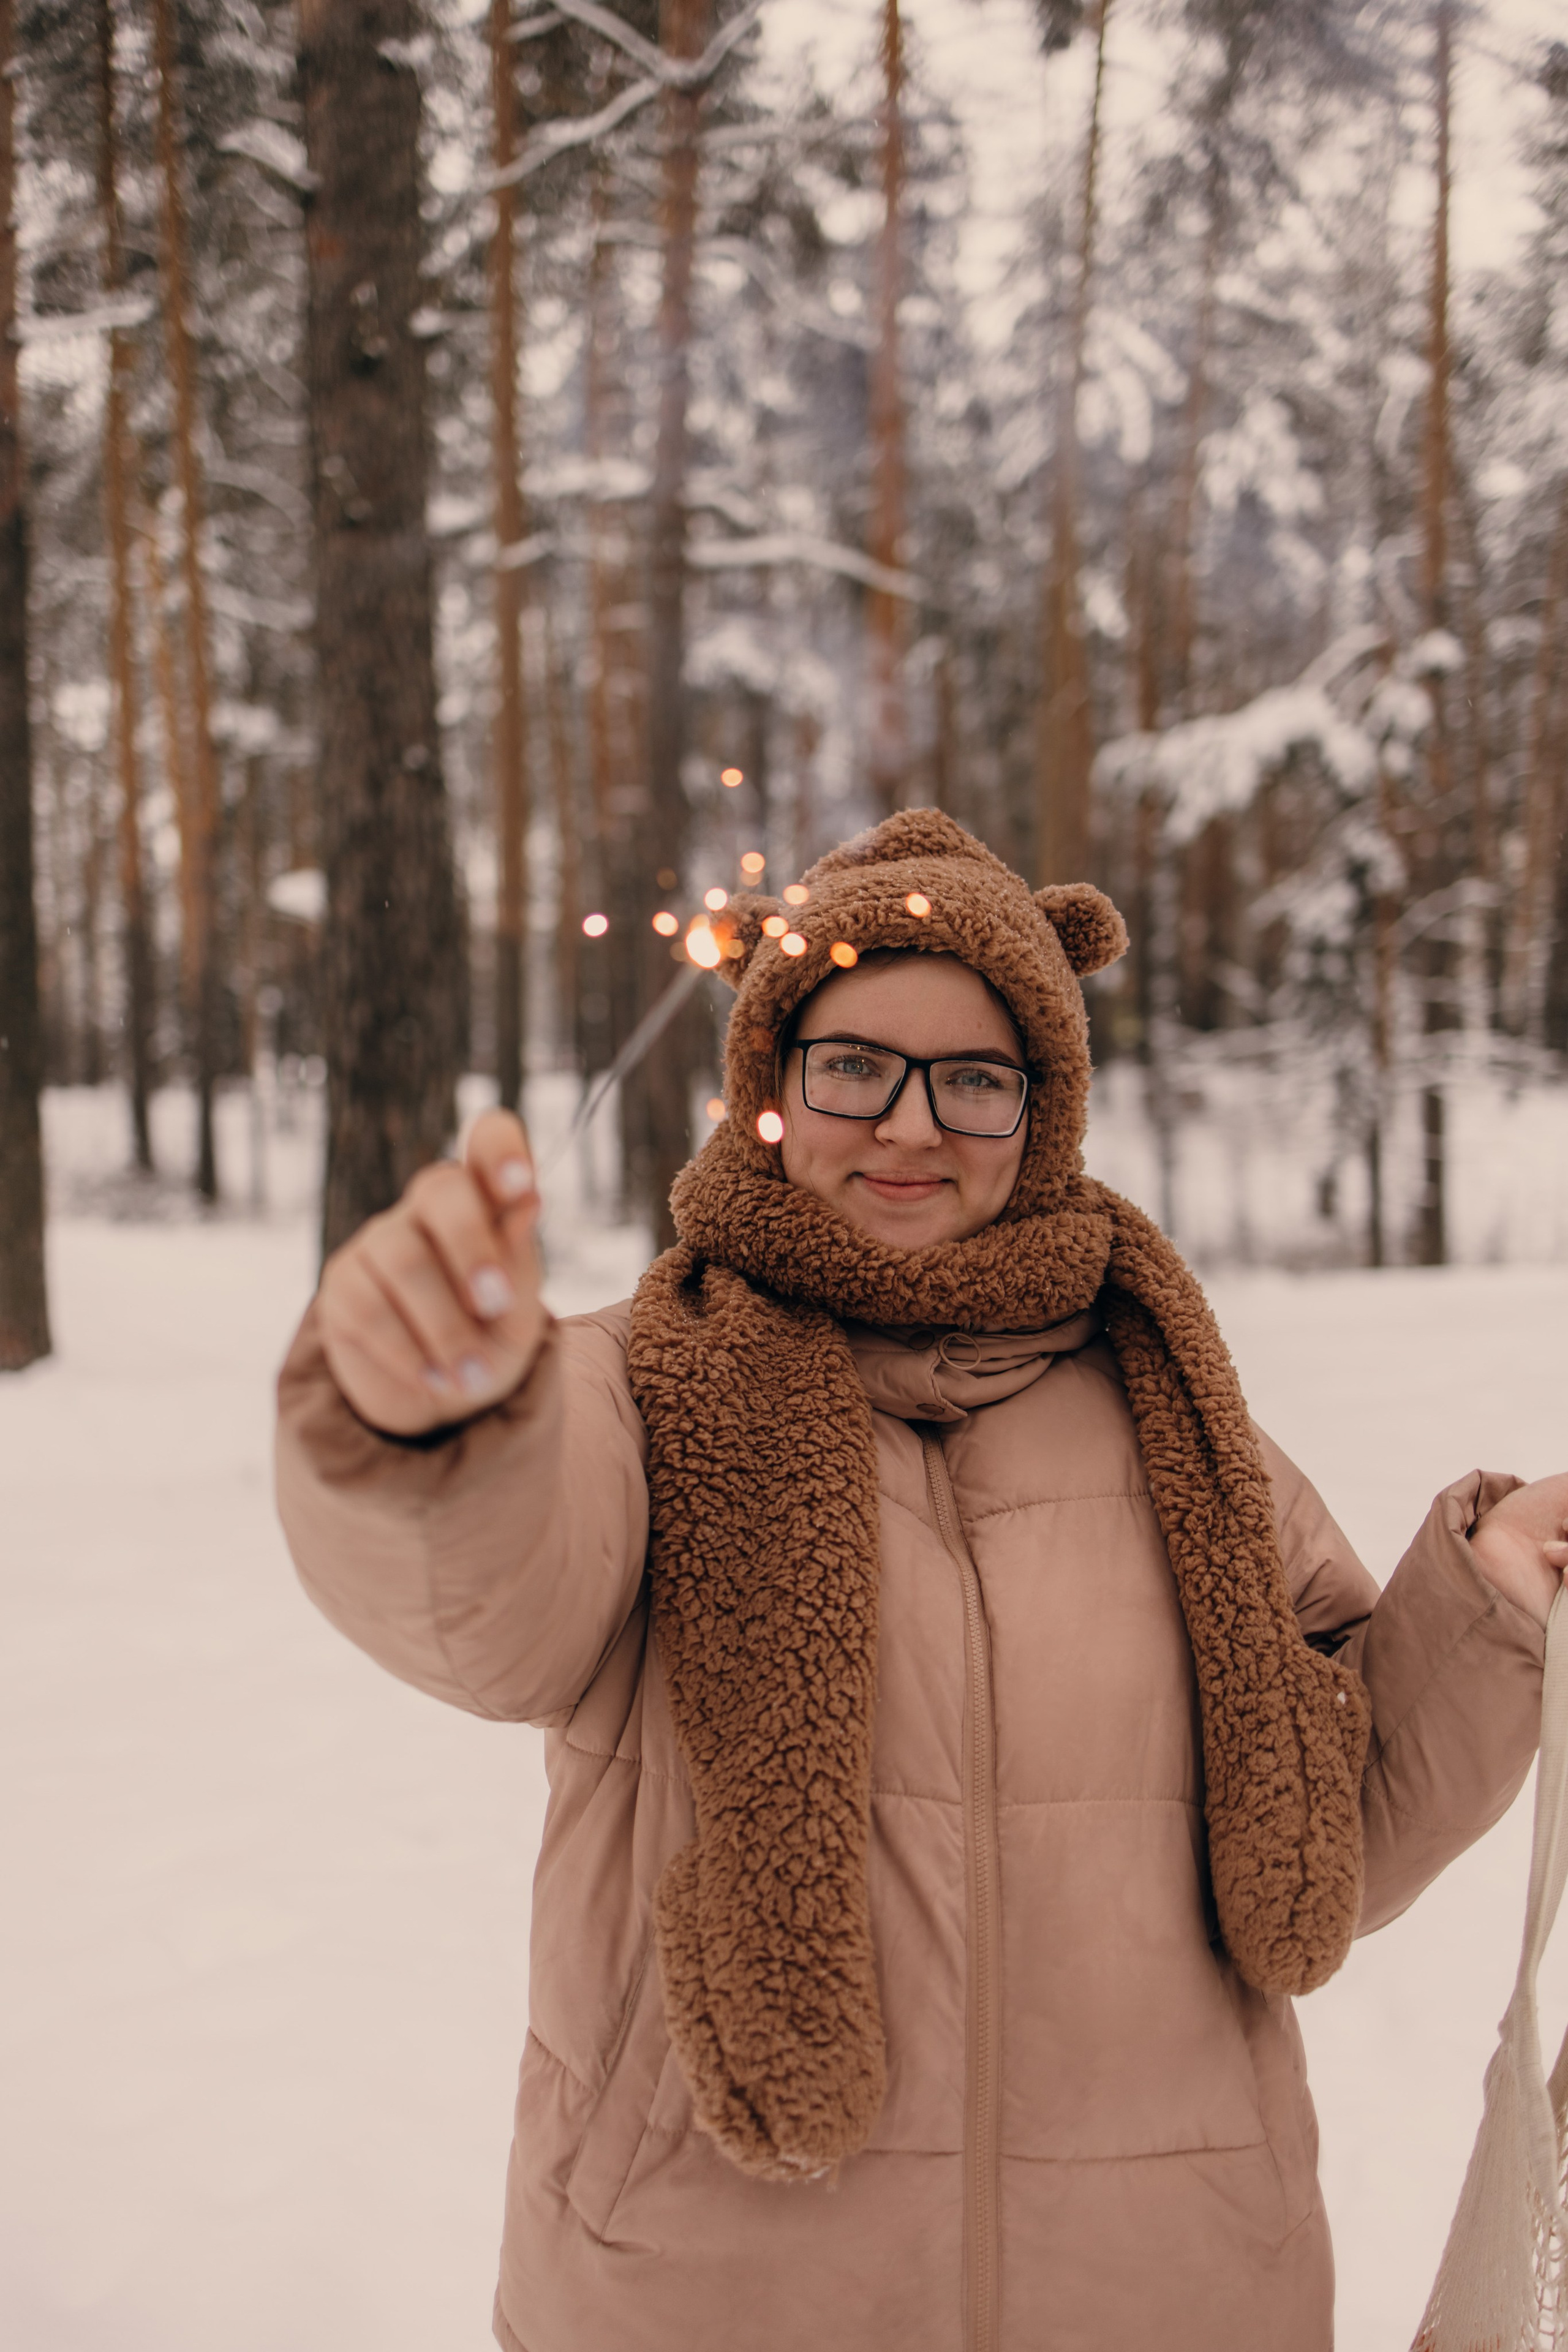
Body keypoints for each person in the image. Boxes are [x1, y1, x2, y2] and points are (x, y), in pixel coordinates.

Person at [276, 810, 1568, 2352]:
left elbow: (1322, 1834)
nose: (908, 1128)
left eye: (973, 1081)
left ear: (1043, 1112)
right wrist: (436, 1428)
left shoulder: (1186, 1431)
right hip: (712, 2299)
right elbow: (485, 1600)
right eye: (853, 1067)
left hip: (1170, 2296)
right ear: (771, 1082)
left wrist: (1481, 1597)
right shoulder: (630, 1393)